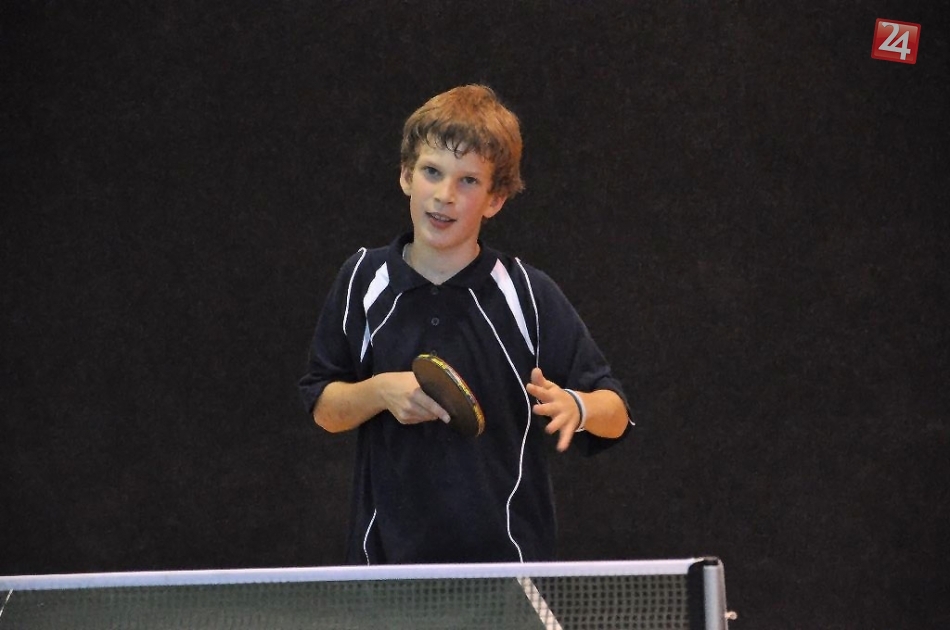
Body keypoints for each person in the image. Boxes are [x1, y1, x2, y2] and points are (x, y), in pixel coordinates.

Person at [299, 84, 632, 565]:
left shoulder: (526, 292)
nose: (445, 195)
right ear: (406, 175)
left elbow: (616, 413)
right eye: (432, 172)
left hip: (505, 571)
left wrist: (576, 406)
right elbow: (323, 407)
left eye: (469, 181)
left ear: (495, 200)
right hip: (382, 571)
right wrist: (379, 392)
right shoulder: (362, 280)